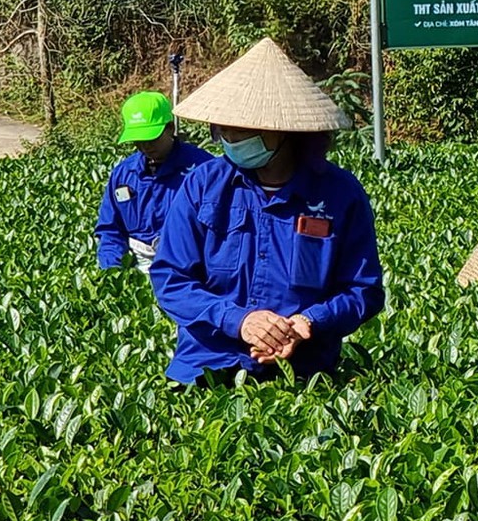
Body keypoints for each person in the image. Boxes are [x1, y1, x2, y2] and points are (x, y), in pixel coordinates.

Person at [149, 38, 385, 384]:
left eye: (242, 127)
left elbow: (363, 289)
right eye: (222, 127)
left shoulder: (340, 194)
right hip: (206, 370)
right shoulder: (202, 185)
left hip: (303, 372)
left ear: (284, 131)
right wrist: (240, 321)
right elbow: (170, 279)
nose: (229, 136)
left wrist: (308, 323)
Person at [94, 90, 210, 272]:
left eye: (151, 138)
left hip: (188, 266)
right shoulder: (124, 174)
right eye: (138, 140)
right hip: (137, 262)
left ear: (170, 128)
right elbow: (110, 229)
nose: (145, 146)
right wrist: (112, 270)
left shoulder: (203, 170)